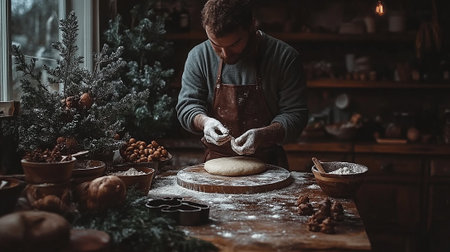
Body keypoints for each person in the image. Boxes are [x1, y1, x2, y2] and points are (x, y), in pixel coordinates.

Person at [176, 0, 308, 168]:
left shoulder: (284, 57)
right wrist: (205, 122)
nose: (224, 54)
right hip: (216, 164)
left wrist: (263, 135)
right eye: (215, 45)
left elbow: (296, 115)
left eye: (234, 44)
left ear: (252, 25)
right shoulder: (198, 56)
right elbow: (187, 106)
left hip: (270, 165)